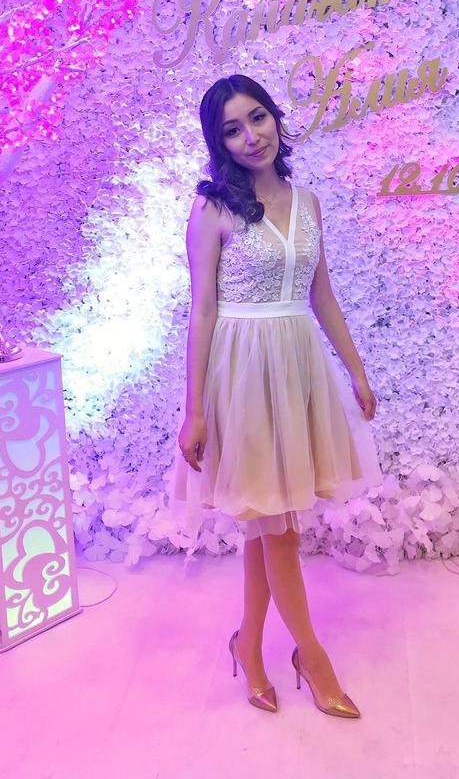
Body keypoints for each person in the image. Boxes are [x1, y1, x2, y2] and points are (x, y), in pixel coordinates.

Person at [172, 74, 381, 717]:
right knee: (279, 530)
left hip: (296, 369)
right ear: (219, 143)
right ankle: (312, 657)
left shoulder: (307, 201)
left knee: (268, 524)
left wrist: (356, 370)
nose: (251, 137)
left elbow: (321, 294)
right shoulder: (212, 210)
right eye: (232, 130)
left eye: (257, 118)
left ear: (276, 119)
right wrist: (194, 410)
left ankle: (249, 643)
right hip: (241, 374)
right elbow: (202, 311)